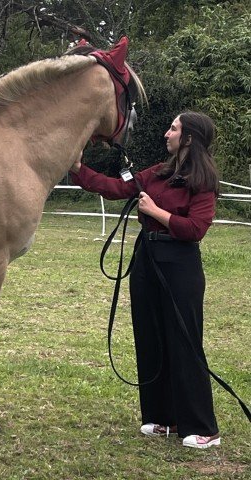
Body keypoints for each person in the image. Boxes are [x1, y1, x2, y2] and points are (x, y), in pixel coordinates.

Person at [70, 111, 221, 449]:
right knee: (150, 337)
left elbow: (196, 229)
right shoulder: (158, 173)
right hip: (147, 261)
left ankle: (203, 428)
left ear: (190, 138)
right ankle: (164, 419)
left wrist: (154, 212)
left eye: (174, 128)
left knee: (185, 342)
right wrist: (79, 169)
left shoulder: (202, 181)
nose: (166, 133)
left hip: (180, 265)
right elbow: (116, 188)